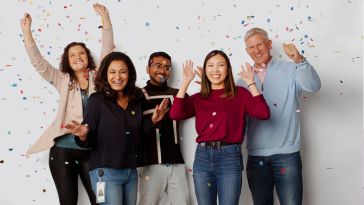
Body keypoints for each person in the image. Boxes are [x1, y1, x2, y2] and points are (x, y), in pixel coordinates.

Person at [20, 3, 114, 205]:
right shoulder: (62, 79)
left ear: (87, 57)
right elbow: (39, 63)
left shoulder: (99, 77)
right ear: (67, 61)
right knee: (68, 201)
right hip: (63, 150)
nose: (77, 57)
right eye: (72, 55)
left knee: (101, 200)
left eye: (81, 53)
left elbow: (107, 50)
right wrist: (27, 32)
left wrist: (105, 20)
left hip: (93, 151)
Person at [65, 51, 170, 205]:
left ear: (129, 74)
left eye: (123, 72)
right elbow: (88, 142)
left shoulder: (136, 99)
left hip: (131, 172)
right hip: (105, 173)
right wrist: (83, 135)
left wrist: (153, 121)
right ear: (105, 74)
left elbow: (139, 134)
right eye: (112, 72)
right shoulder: (97, 100)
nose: (118, 77)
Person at [169, 50, 270, 205]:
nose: (215, 70)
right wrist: (185, 82)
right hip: (202, 157)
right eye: (210, 65)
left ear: (227, 70)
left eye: (220, 65)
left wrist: (251, 83)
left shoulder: (240, 94)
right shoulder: (198, 98)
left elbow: (264, 114)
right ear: (205, 70)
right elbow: (175, 114)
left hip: (229, 157)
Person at [236, 27, 321, 205]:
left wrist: (300, 60)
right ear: (247, 51)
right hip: (256, 156)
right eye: (251, 47)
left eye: (260, 44)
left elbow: (313, 86)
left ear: (269, 44)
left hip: (287, 154)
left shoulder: (291, 69)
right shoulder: (242, 80)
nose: (256, 50)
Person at [138, 52, 190, 205]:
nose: (162, 70)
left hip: (176, 163)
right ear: (147, 68)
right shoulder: (137, 96)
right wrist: (153, 121)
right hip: (150, 165)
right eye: (157, 66)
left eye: (167, 67)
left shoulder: (178, 94)